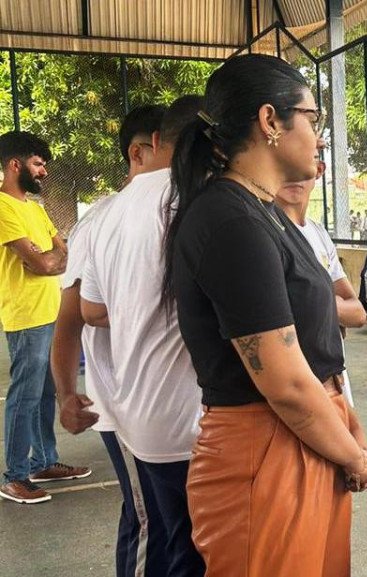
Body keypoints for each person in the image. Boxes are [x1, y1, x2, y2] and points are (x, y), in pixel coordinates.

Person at [162, 54, 367, 576]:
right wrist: (351, 454)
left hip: (309, 434)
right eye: (313, 118)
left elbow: (314, 349)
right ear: (269, 121)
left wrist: (349, 431)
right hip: (268, 446)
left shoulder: (262, 212)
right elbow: (283, 383)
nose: (319, 135)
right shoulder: (230, 220)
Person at [79, 96, 206, 577]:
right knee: (191, 551)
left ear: (157, 142)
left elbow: (92, 309)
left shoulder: (105, 213)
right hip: (191, 420)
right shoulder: (195, 201)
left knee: (168, 541)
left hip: (138, 414)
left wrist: (136, 310)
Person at [51, 103, 171, 576]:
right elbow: (70, 322)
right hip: (122, 407)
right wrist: (66, 394)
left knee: (180, 529)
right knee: (149, 523)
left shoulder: (186, 208)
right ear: (140, 152)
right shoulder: (100, 221)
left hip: (174, 412)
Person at [0, 130, 91, 505]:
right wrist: (46, 259)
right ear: (15, 165)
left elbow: (62, 253)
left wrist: (47, 259)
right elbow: (39, 262)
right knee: (25, 395)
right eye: (38, 164)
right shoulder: (4, 207)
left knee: (46, 391)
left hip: (49, 310)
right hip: (25, 315)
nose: (44, 172)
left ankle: (43, 462)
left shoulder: (34, 209)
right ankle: (14, 476)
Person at [277, 164, 367, 407]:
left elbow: (357, 313)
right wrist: (328, 306)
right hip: (298, 383)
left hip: (332, 381)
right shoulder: (264, 231)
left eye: (309, 157)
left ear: (318, 169)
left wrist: (322, 304)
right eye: (286, 162)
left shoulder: (317, 232)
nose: (294, 173)